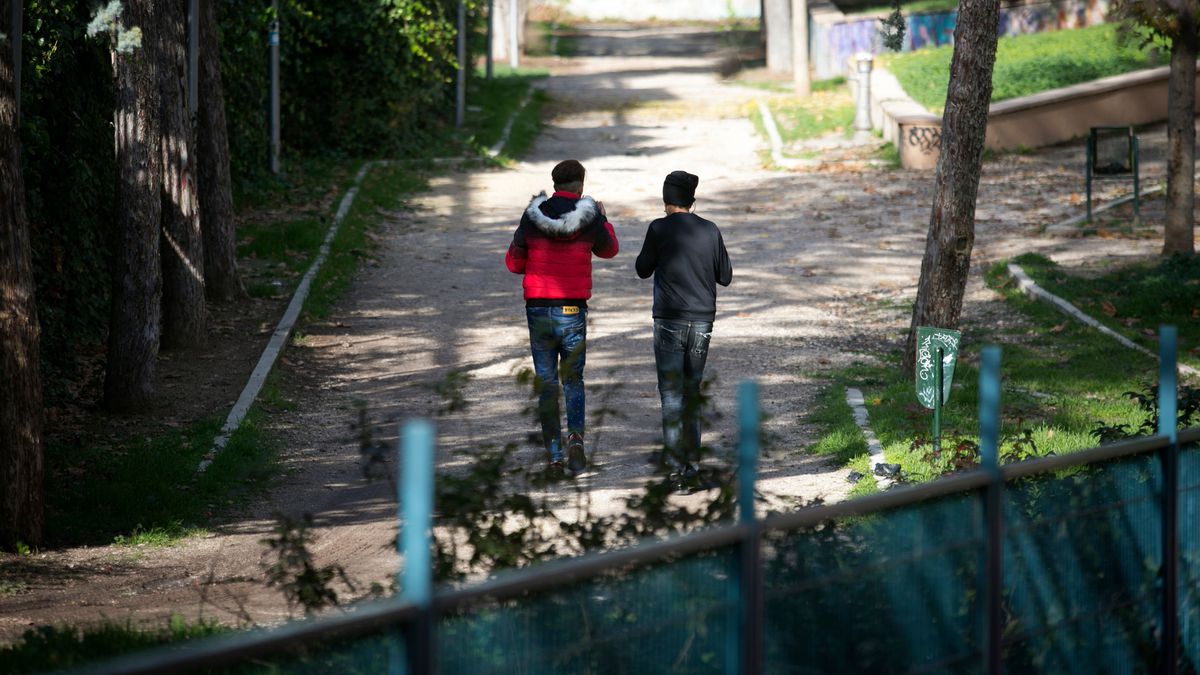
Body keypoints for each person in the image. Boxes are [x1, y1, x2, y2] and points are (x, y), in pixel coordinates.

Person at [506, 160, 619, 476]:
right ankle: (576, 441)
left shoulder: (532, 216)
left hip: (539, 310)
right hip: (572, 309)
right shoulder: (591, 217)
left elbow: (514, 264)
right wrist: (604, 218)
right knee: (573, 378)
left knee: (546, 381)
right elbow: (610, 250)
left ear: (554, 185)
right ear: (581, 186)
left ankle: (554, 457)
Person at [635, 170, 732, 484]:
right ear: (693, 199)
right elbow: (725, 276)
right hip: (702, 321)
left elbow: (642, 269)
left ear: (666, 200)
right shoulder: (710, 230)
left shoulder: (659, 229)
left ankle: (676, 466)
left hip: (668, 319)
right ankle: (693, 465)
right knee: (692, 391)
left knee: (672, 394)